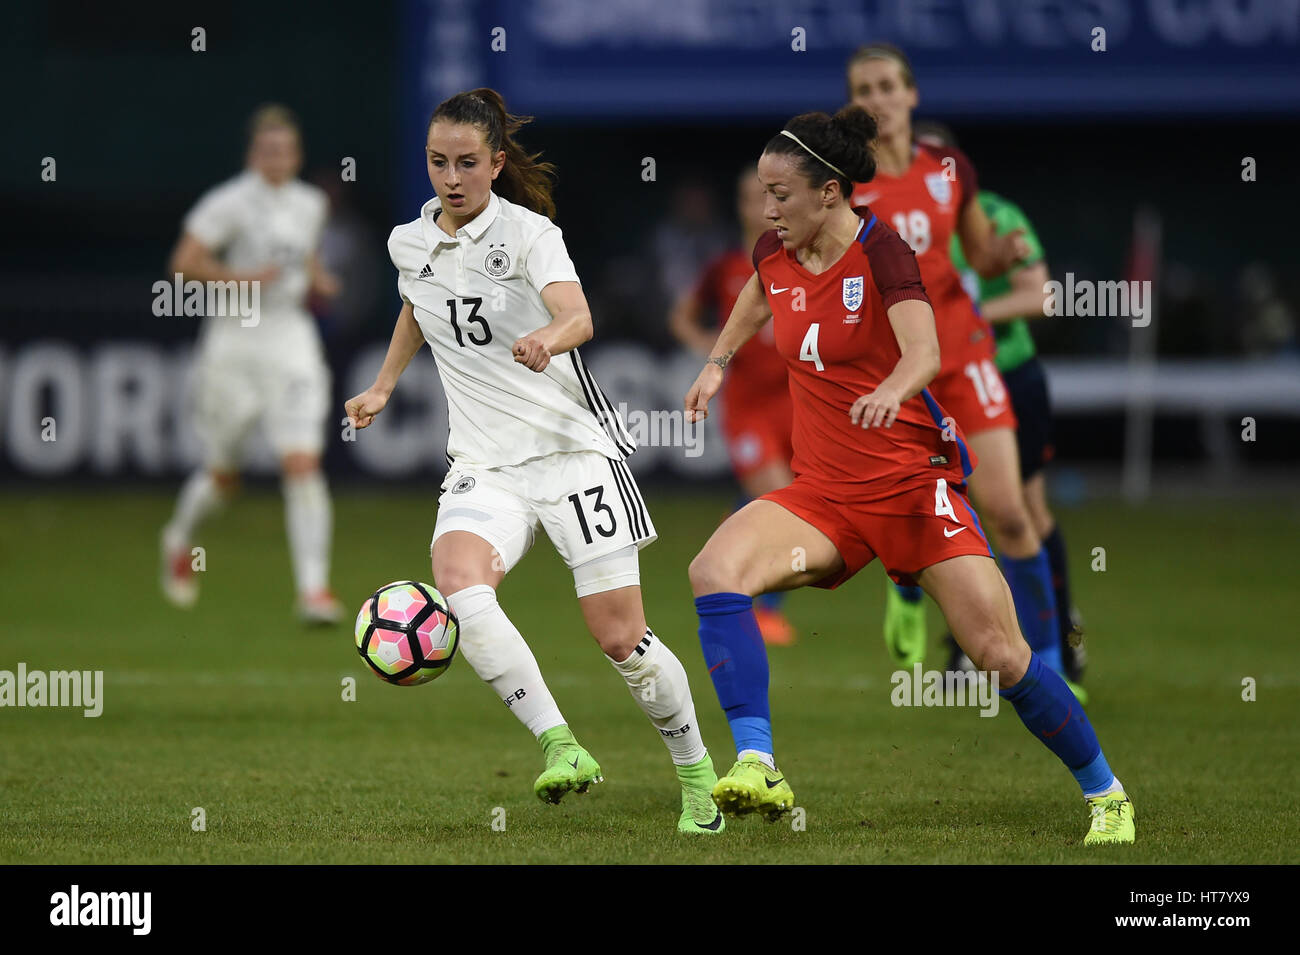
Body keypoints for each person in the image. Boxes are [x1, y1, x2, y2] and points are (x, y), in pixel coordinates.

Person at [683, 104, 1135, 844]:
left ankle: (1106, 793)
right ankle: (758, 759)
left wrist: (894, 389)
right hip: (825, 495)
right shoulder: (775, 251)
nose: (768, 209)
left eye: (781, 194)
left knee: (999, 655)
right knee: (714, 569)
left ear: (829, 191)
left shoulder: (883, 251)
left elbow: (924, 353)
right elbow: (758, 294)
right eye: (763, 194)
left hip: (912, 489)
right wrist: (716, 361)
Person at [344, 88, 723, 834]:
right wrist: (385, 383)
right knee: (459, 585)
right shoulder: (408, 242)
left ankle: (698, 776)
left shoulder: (528, 234)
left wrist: (551, 336)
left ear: (496, 164)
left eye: (466, 163)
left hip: (573, 454)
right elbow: (419, 304)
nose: (450, 178)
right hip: (486, 465)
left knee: (621, 638)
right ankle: (561, 745)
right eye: (437, 162)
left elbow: (579, 313)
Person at [844, 45, 1077, 699]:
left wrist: (999, 254)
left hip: (964, 353)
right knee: (917, 509)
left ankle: (1051, 662)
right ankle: (907, 589)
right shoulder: (845, 184)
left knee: (1007, 510)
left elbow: (975, 252)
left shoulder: (949, 168)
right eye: (864, 89)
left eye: (888, 85)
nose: (878, 99)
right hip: (896, 368)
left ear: (911, 96)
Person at [914, 121, 1086, 685]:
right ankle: (975, 639)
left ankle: (1059, 635)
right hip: (931, 381)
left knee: (1022, 512)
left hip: (1006, 373)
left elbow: (1042, 295)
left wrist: (964, 321)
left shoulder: (994, 214)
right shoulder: (890, 220)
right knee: (955, 514)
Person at [160, 104, 343, 624]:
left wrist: (320, 280)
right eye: (268, 150)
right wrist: (240, 280)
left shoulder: (310, 204)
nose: (276, 159)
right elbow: (182, 264)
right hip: (234, 340)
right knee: (223, 475)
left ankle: (313, 592)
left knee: (302, 462)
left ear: (297, 154)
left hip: (291, 339)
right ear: (252, 153)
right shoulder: (229, 202)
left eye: (285, 150)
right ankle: (179, 537)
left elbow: (305, 261)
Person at [668, 165, 796, 645]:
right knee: (779, 499)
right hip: (747, 406)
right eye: (749, 196)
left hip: (795, 401)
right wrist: (710, 346)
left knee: (777, 499)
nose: (760, 206)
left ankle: (723, 550)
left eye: (769, 195)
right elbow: (680, 316)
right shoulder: (725, 267)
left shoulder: (801, 261)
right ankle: (765, 611)